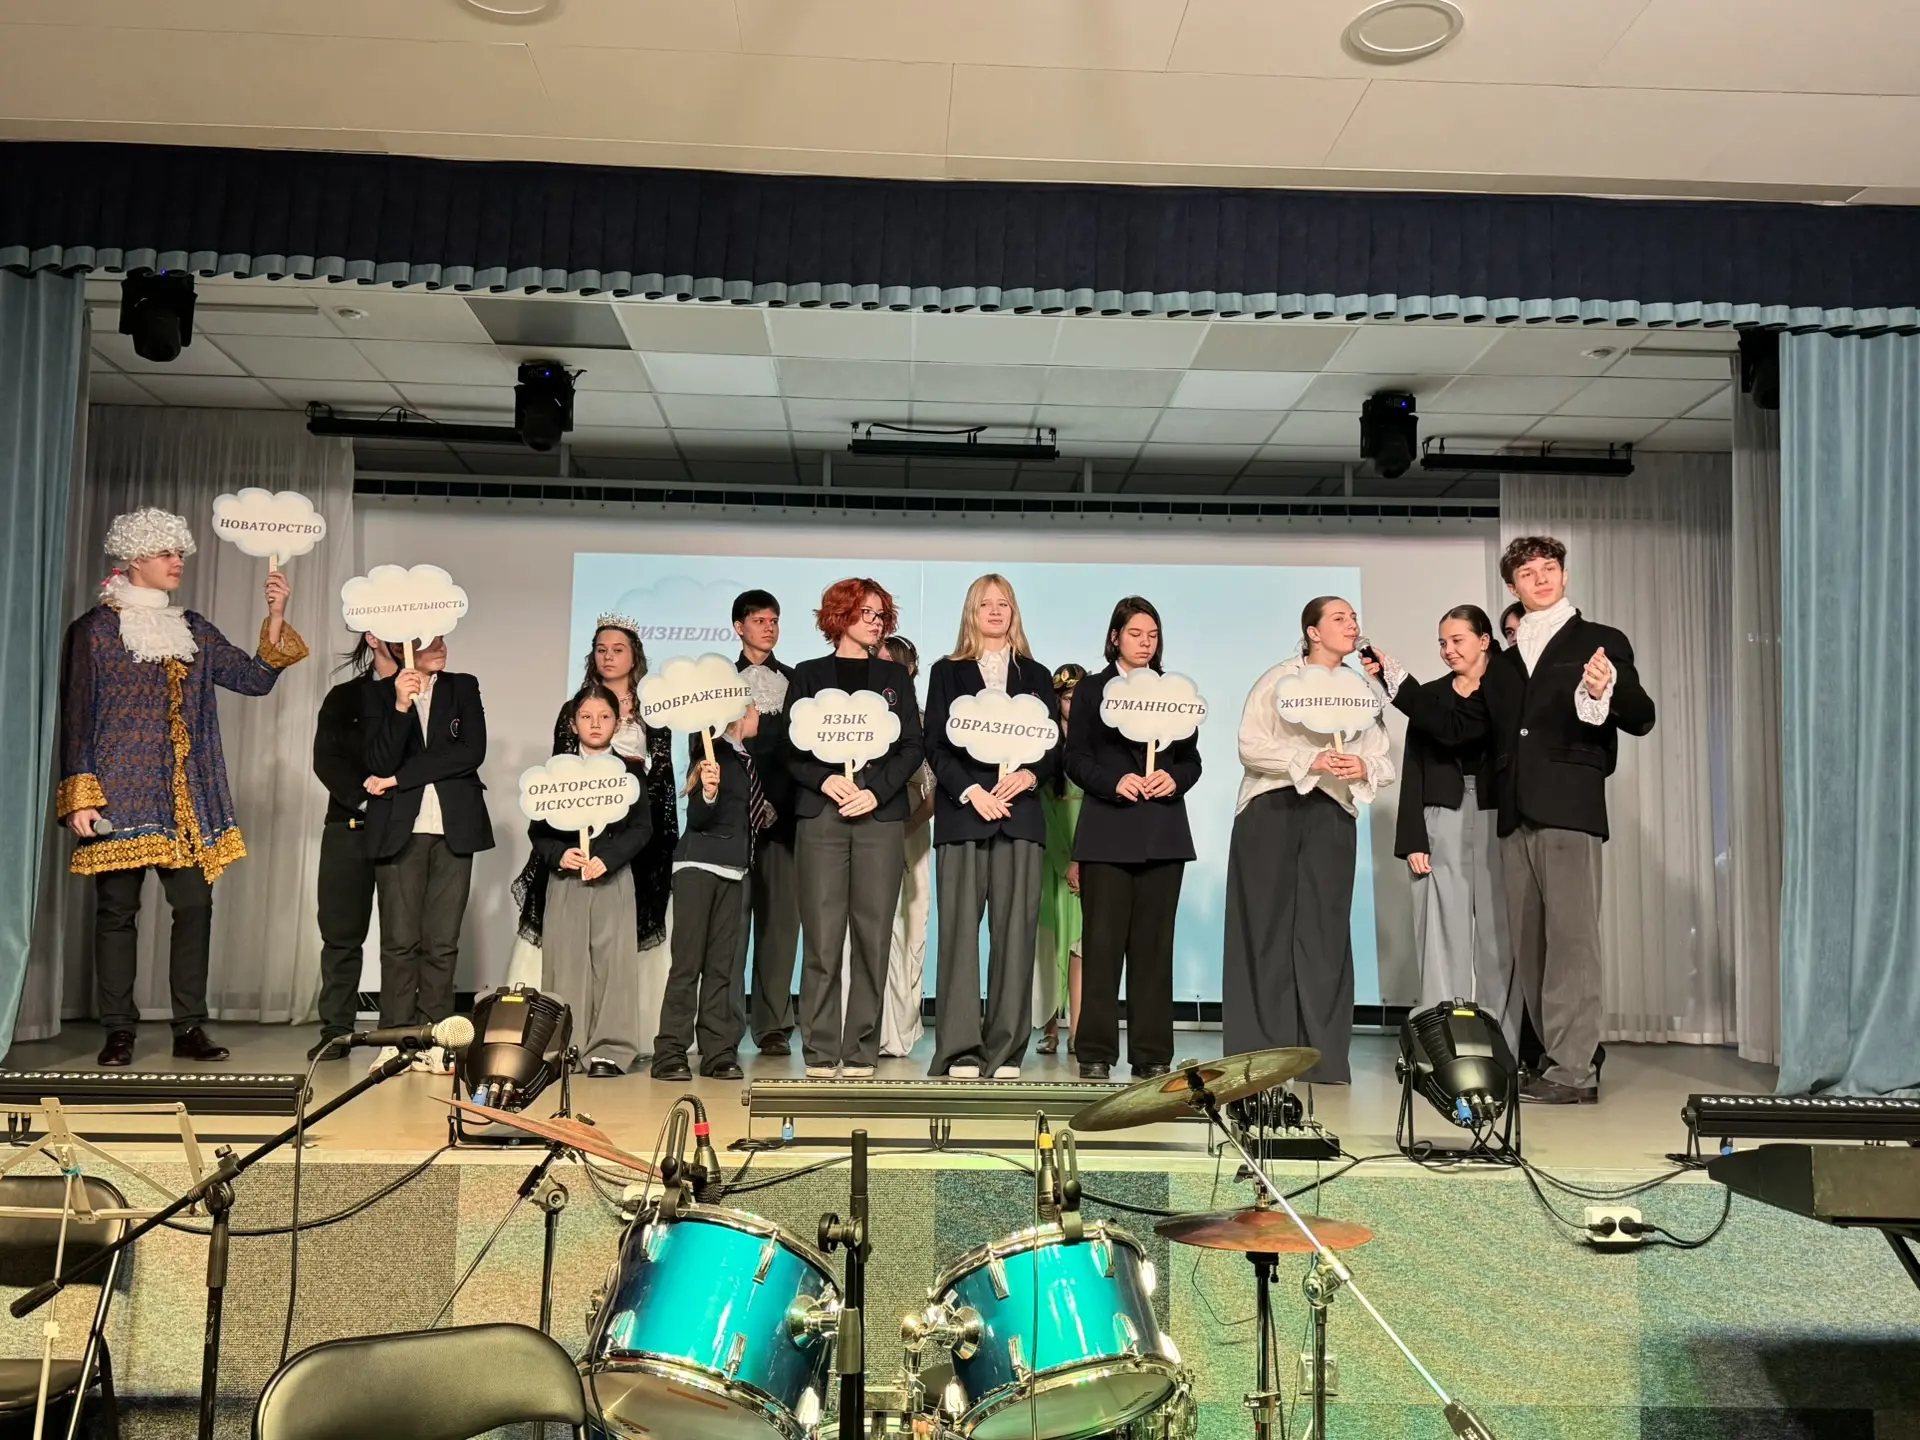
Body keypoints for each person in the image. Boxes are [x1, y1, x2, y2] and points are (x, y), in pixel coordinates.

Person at [1369, 536, 1655, 1104]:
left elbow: (1641, 715)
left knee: (1572, 942)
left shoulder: (1600, 640)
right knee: (1532, 946)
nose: (1541, 578)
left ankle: (1574, 1070)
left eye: (1549, 568)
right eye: (1528, 573)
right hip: (1512, 814)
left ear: (1564, 576)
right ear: (1513, 586)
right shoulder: (1504, 663)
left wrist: (1609, 689)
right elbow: (1456, 728)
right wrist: (1398, 685)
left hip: (1569, 808)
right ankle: (1551, 1058)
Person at [59, 507, 307, 1067]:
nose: (177, 562)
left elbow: (252, 679)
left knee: (195, 906)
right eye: (166, 553)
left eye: (180, 553)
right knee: (117, 911)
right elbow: (77, 714)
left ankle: (188, 1026)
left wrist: (275, 615)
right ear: (134, 559)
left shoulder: (192, 627)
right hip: (118, 789)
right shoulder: (94, 630)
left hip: (184, 796)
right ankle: (118, 1030)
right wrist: (81, 793)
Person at [1221, 598, 1394, 1084]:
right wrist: (1308, 760)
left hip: (1332, 811)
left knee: (1325, 933)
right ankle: (1259, 1057)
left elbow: (1382, 758)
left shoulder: (1361, 690)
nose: (1352, 624)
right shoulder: (1277, 680)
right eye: (1339, 618)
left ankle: (1322, 1058)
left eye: (1354, 617)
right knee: (1264, 929)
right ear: (1313, 632)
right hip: (1270, 807)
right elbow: (1250, 746)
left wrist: (1362, 765)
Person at [786, 578, 924, 1078]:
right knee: (822, 938)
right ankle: (821, 1050)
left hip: (878, 817)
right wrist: (825, 780)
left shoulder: (894, 678)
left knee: (873, 936)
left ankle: (862, 1048)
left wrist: (877, 791)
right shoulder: (807, 674)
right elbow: (790, 750)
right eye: (867, 613)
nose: (875, 622)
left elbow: (912, 746)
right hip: (822, 816)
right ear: (840, 616)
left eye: (881, 614)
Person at [925, 576, 1058, 1080]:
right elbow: (935, 744)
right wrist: (969, 791)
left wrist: (1030, 775)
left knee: (1016, 936)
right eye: (986, 604)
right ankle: (960, 1049)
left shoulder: (1037, 674)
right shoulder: (946, 671)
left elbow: (1053, 747)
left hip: (1020, 818)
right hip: (964, 816)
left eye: (1004, 604)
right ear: (972, 612)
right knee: (959, 936)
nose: (996, 611)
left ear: (1014, 612)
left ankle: (1005, 1051)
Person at [1065, 598, 1201, 1082]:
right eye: (1136, 633)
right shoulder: (1092, 690)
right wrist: (1112, 782)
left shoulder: (1173, 692)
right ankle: (1095, 1052)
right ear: (1115, 637)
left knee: (1154, 950)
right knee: (1101, 947)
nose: (1146, 643)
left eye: (1153, 635)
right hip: (1106, 832)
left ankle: (1152, 1054)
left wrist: (1175, 779)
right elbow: (1075, 758)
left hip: (1163, 835)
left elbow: (1192, 761)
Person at [362, 633, 494, 1072]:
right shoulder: (380, 694)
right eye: (428, 641)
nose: (440, 647)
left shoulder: (463, 686)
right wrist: (401, 706)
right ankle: (395, 1039)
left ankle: (436, 1039)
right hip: (400, 829)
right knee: (400, 942)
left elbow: (470, 753)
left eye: (442, 638)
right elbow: (379, 760)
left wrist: (400, 779)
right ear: (403, 646)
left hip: (455, 826)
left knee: (442, 942)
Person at [1392, 605, 1519, 1052]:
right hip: (1439, 813)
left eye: (1457, 640)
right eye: (1442, 643)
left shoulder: (1507, 690)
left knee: (1500, 934)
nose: (1448, 650)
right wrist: (1412, 838)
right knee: (1440, 934)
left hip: (1496, 814)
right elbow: (1414, 767)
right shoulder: (1430, 696)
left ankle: (1500, 1048)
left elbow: (1473, 736)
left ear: (1484, 641)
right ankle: (1443, 1047)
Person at [529, 685, 653, 1077]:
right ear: (572, 723)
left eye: (604, 717)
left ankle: (610, 1050)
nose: (595, 724)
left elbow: (642, 828)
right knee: (565, 963)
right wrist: (559, 854)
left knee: (613, 965)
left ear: (617, 723)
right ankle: (565, 1048)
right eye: (586, 717)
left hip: (612, 878)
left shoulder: (630, 771)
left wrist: (609, 858)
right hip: (566, 879)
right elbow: (538, 832)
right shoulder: (556, 773)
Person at [654, 711, 776, 1082]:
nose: (760, 713)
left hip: (735, 870)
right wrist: (708, 792)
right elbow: (699, 816)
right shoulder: (712, 753)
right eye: (754, 708)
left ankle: (718, 1052)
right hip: (698, 868)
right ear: (738, 715)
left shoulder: (744, 757)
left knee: (723, 967)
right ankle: (670, 1052)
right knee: (688, 963)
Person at [309, 632, 399, 1060]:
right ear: (373, 635)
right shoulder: (345, 697)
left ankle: (398, 1032)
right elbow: (326, 759)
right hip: (349, 825)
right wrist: (365, 799)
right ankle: (337, 1029)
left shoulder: (430, 693)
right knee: (341, 934)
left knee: (402, 938)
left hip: (406, 828)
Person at [732, 589, 803, 1055]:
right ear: (739, 627)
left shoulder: (795, 681)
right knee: (730, 931)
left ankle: (773, 1024)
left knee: (780, 927)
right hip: (732, 822)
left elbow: (801, 750)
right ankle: (721, 1026)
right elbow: (704, 748)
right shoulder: (718, 680)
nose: (769, 628)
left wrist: (777, 801)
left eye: (774, 620)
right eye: (759, 620)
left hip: (785, 819)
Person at [877, 635, 936, 1059]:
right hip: (874, 827)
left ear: (910, 669)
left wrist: (909, 825)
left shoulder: (923, 721)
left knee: (911, 927)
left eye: (891, 662)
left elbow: (935, 790)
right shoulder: (864, 716)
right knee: (877, 928)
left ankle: (901, 1026)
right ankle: (871, 1026)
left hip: (911, 832)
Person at [1036, 663, 1088, 1056]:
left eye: (1080, 697)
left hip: (1089, 852)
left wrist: (1082, 858)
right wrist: (1063, 860)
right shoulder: (1044, 746)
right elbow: (1042, 808)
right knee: (1050, 941)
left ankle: (1079, 1031)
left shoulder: (1097, 745)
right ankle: (1050, 1027)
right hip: (1051, 853)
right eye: (1068, 697)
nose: (1074, 704)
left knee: (1081, 946)